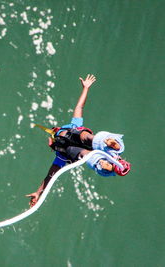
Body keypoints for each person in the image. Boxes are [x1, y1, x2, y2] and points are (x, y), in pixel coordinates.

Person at [26, 74, 130, 207]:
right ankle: (106, 152)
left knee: (82, 142)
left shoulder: (61, 154)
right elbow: (79, 107)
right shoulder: (66, 141)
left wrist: (38, 192)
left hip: (86, 145)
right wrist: (85, 88)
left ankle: (106, 149)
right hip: (87, 147)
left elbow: (50, 176)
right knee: (82, 145)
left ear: (51, 144)